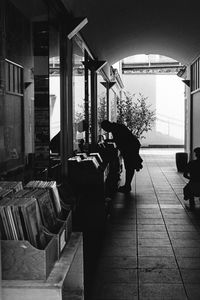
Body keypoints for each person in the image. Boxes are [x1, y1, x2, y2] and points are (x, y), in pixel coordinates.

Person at [101, 120, 143, 193]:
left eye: (106, 129)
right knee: (130, 166)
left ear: (107, 126)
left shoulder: (116, 129)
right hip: (132, 145)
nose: (107, 131)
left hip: (130, 147)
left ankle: (127, 186)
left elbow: (121, 140)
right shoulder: (116, 127)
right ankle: (127, 185)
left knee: (129, 166)